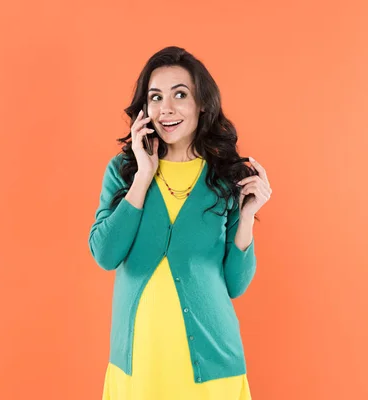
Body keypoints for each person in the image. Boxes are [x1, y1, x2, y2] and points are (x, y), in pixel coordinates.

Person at [88, 46, 272, 400]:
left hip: (212, 366)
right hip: (140, 365)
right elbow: (105, 254)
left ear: (202, 103)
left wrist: (247, 217)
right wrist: (143, 178)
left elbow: (235, 284)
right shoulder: (123, 172)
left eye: (180, 94)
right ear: (145, 109)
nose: (166, 108)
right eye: (156, 97)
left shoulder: (226, 178)